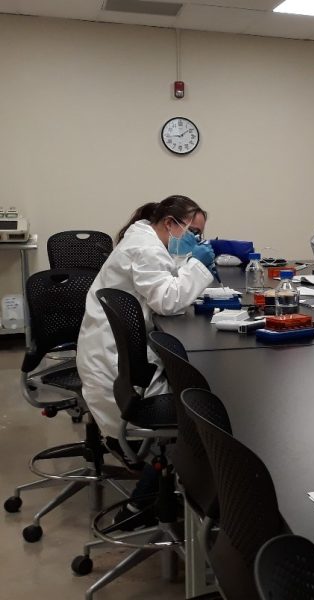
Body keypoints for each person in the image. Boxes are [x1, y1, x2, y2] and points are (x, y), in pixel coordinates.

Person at [77, 196, 216, 524]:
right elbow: (167, 300)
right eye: (193, 232)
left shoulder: (146, 241)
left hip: (115, 361)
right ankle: (147, 504)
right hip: (117, 371)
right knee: (205, 407)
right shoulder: (146, 249)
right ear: (170, 223)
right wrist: (195, 266)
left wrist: (188, 266)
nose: (196, 240)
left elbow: (163, 284)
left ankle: (149, 498)